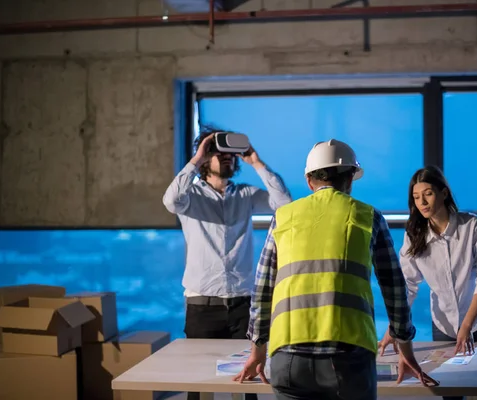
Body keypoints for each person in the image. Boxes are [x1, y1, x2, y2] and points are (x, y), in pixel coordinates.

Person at [234, 139, 438, 400]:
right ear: (351, 179)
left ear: (309, 181)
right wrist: (405, 348)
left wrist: (258, 351)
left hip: (288, 355)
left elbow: (263, 289)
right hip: (348, 355)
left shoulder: (283, 217)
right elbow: (394, 287)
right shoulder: (368, 216)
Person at [162, 126, 292, 400]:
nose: (227, 158)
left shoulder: (245, 195)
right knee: (198, 383)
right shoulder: (191, 197)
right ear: (206, 157)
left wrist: (256, 162)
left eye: (230, 154)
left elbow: (284, 204)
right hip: (202, 305)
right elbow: (171, 200)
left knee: (248, 382)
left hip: (243, 304)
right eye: (218, 153)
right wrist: (196, 158)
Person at [379, 165, 477, 400]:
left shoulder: (472, 226)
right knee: (449, 387)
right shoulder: (414, 234)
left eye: (428, 193)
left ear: (444, 193)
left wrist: (466, 326)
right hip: (444, 321)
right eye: (416, 197)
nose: (422, 202)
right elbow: (409, 285)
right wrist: (393, 328)